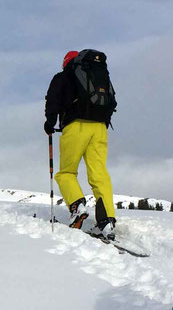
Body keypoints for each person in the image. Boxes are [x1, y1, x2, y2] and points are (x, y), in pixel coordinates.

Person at [44, 49, 118, 239]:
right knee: (99, 174)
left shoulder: (63, 76)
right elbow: (112, 101)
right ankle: (107, 220)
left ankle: (77, 206)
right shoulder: (99, 76)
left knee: (67, 172)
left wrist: (50, 123)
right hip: (100, 128)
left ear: (66, 63)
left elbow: (53, 99)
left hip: (75, 127)